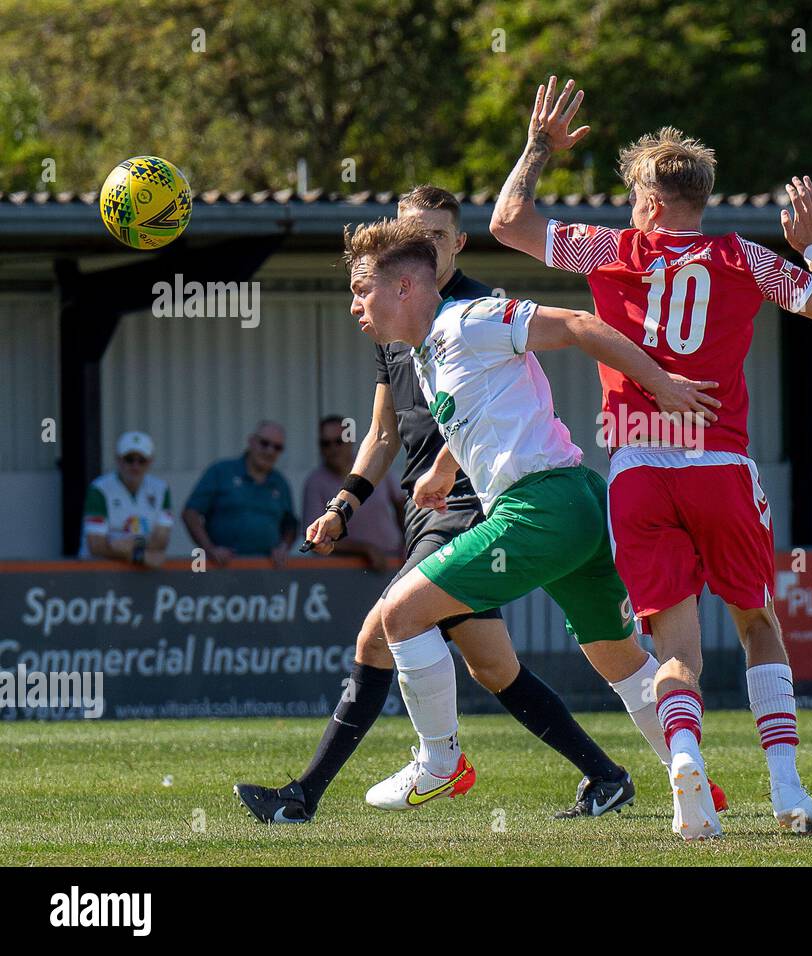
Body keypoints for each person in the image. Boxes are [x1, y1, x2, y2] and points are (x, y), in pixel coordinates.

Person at [235, 187, 726, 824]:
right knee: (619, 657)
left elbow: (579, 325)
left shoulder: (471, 320)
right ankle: (692, 778)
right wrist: (443, 467)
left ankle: (440, 761)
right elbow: (480, 417)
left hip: (541, 507)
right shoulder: (426, 350)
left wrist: (660, 385)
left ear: (405, 288)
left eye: (363, 290)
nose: (355, 306)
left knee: (401, 617)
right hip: (573, 503)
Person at [490, 76, 812, 838]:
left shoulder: (613, 248)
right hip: (720, 466)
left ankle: (685, 757)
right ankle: (788, 791)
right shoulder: (743, 260)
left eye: (633, 198)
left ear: (651, 203)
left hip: (637, 471)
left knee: (675, 646)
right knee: (759, 625)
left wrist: (538, 147)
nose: (632, 211)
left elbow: (507, 222)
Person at [182, 421, 296, 567]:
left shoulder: (280, 482)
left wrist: (284, 546)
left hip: (267, 571)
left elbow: (291, 525)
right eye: (264, 443)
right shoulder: (221, 471)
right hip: (221, 569)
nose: (270, 451)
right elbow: (190, 513)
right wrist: (209, 549)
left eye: (277, 447)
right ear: (251, 441)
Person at [301, 414, 405, 570]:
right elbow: (315, 537)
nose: (333, 448)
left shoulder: (372, 465)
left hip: (393, 560)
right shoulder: (315, 482)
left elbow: (401, 504)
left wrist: (408, 541)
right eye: (326, 444)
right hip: (347, 570)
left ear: (350, 441)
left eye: (338, 442)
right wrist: (365, 550)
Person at [80, 431, 173, 568]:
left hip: (142, 573)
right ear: (118, 459)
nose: (135, 466)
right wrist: (139, 556)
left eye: (142, 460)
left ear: (150, 461)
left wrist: (133, 543)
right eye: (129, 459)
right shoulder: (99, 489)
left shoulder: (161, 489)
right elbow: (95, 545)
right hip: (98, 571)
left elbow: (161, 541)